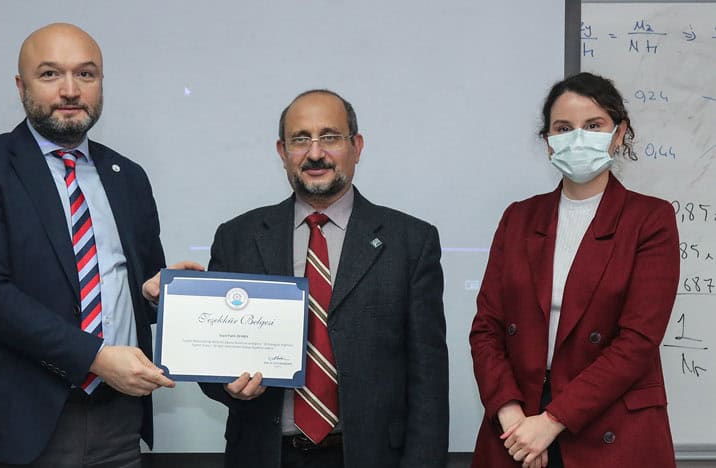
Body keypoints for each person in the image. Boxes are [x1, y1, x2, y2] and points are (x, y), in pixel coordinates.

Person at [0, 23, 197, 467]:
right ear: (22, 86)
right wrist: (95, 357)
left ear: (101, 83)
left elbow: (133, 284)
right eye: (50, 74)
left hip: (117, 421)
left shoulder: (128, 176)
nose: (70, 90)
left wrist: (157, 294)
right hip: (15, 421)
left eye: (85, 74)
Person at [199, 89, 449, 468]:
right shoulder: (238, 237)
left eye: (330, 137)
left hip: (372, 457)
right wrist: (227, 383)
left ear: (356, 146)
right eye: (300, 140)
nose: (315, 153)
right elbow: (211, 363)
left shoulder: (411, 241)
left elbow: (428, 379)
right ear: (282, 152)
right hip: (265, 455)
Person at [469, 72, 679, 468]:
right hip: (519, 422)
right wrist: (511, 417)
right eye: (564, 128)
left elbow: (638, 341)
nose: (578, 138)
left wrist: (551, 421)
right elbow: (486, 328)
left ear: (619, 134)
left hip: (609, 423)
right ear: (548, 141)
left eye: (594, 125)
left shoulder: (650, 219)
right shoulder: (518, 218)